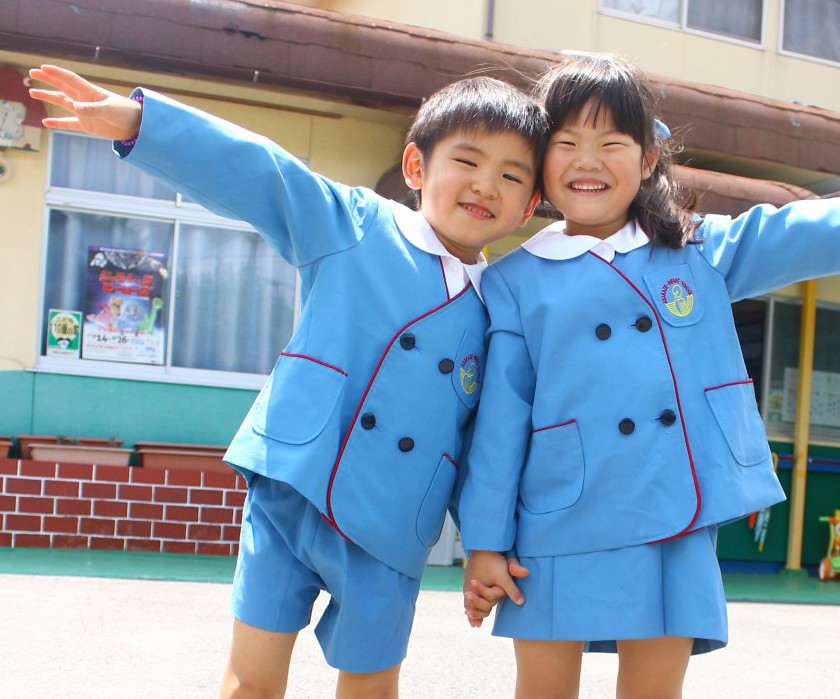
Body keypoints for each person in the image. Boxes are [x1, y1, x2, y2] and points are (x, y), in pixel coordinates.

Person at [456, 53, 840, 698]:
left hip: (674, 510)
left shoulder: (695, 251)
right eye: (567, 142)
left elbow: (803, 232)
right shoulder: (514, 281)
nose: (588, 161)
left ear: (649, 159)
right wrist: (485, 543)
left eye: (612, 143)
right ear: (543, 162)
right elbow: (499, 423)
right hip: (557, 514)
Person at [30, 64, 546, 699]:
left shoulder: (504, 309)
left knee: (371, 688)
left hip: (395, 520)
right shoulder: (356, 223)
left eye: (511, 175)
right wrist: (142, 122)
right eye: (466, 160)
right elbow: (260, 172)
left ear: (528, 206)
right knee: (250, 684)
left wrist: (486, 545)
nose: (484, 185)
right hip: (292, 488)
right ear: (416, 167)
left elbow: (491, 444)